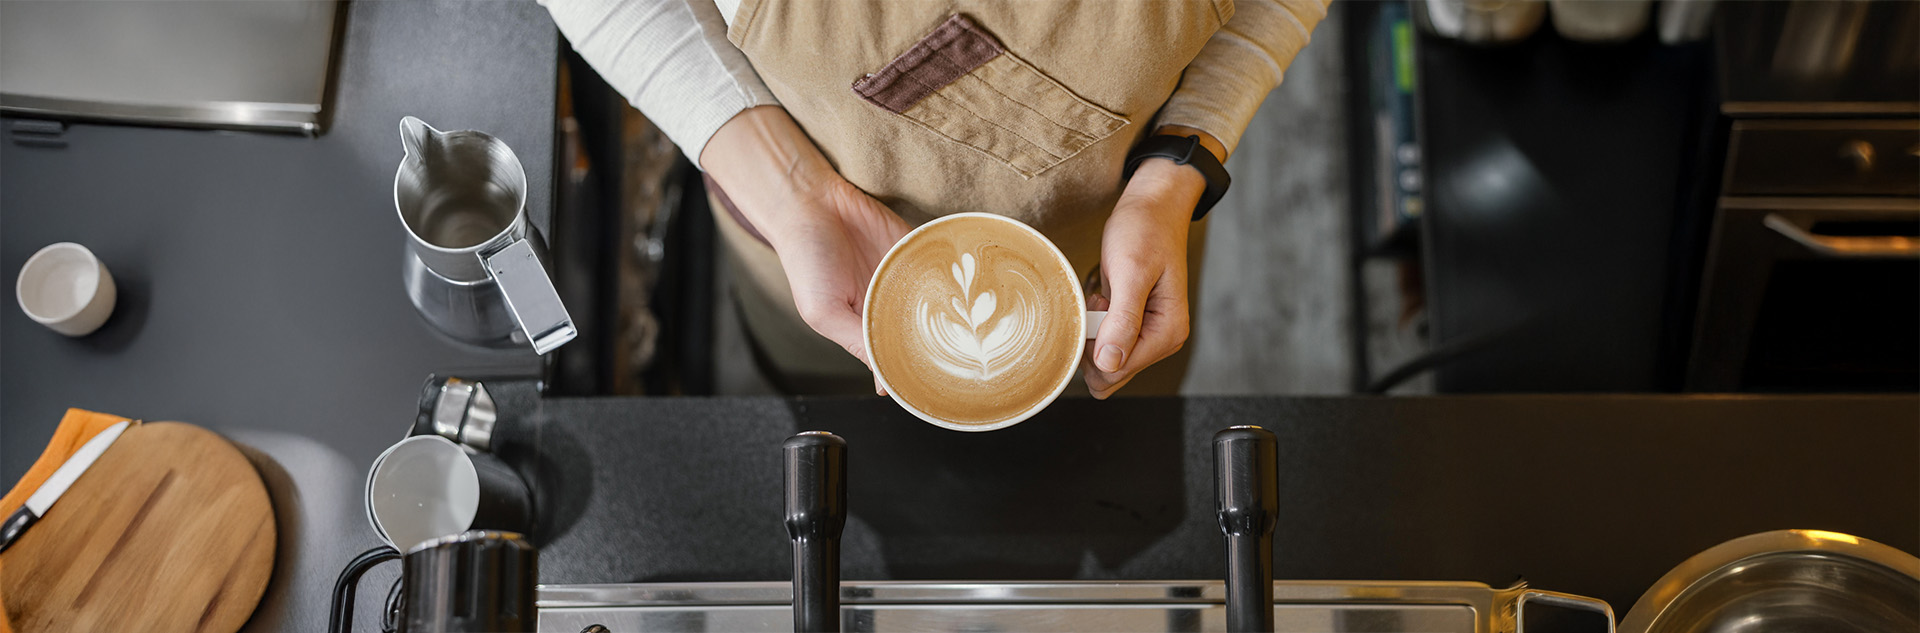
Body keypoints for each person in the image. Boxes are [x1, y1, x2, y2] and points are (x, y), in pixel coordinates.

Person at [544, 0, 1328, 398]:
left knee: (1108, 432)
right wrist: (788, 191)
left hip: (1119, 245)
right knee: (841, 414)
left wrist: (1179, 160)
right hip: (814, 255)